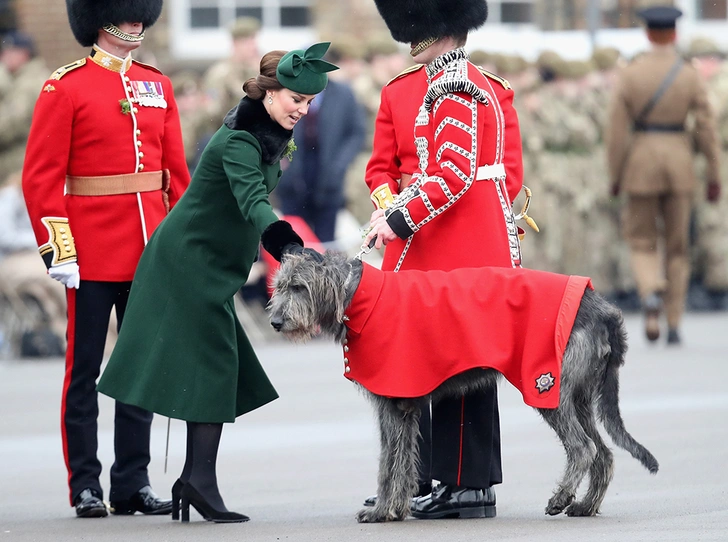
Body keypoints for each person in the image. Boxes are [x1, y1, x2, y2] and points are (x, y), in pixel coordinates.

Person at [96, 43, 338, 523]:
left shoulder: (268, 133)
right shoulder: (240, 141)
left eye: (308, 103)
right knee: (215, 364)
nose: (302, 110)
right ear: (268, 92)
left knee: (216, 366)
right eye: (295, 99)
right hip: (185, 264)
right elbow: (251, 199)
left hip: (210, 264)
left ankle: (194, 479)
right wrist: (288, 246)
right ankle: (197, 481)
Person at [21, 0, 191, 518]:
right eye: (128, 12)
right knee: (85, 372)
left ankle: (131, 482)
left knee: (139, 370)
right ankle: (85, 485)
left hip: (149, 251)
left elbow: (176, 176)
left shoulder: (156, 84)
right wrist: (58, 247)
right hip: (90, 252)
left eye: (142, 12)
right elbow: (41, 177)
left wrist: (181, 245)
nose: (137, 21)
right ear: (99, 18)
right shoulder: (66, 85)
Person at [364, 0, 524, 520]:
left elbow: (503, 175)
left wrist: (416, 212)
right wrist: (395, 205)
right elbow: (380, 170)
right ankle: (419, 478)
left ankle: (467, 483)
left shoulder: (481, 87)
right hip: (417, 236)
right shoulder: (401, 90)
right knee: (417, 363)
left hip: (455, 239)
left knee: (465, 363)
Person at [605, 6, 722, 345]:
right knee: (678, 247)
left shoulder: (631, 73)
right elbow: (706, 128)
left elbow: (615, 132)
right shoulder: (689, 74)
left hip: (640, 163)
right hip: (679, 163)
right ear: (674, 34)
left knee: (641, 240)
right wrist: (714, 174)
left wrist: (615, 174)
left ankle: (650, 292)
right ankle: (673, 321)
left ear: (646, 34)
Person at [275, 71, 366, 244]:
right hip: (293, 178)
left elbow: (356, 132)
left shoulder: (342, 93)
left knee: (325, 245)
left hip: (328, 178)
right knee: (292, 242)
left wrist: (339, 166)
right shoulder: (285, 92)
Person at [0, 31, 49, 182]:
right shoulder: (18, 78)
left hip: (20, 166)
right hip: (18, 164)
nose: (4, 56)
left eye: (10, 51)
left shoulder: (29, 83)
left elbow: (9, 125)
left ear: (24, 53)